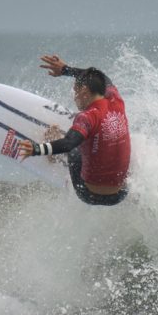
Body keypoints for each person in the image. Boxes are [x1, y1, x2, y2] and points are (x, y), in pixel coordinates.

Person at [18, 55, 131, 206]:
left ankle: (54, 156)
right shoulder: (116, 100)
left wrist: (37, 149)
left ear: (84, 91)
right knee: (114, 141)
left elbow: (68, 143)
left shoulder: (87, 116)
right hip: (121, 194)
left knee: (75, 150)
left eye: (75, 92)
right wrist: (66, 70)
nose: (75, 97)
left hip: (91, 195)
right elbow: (103, 76)